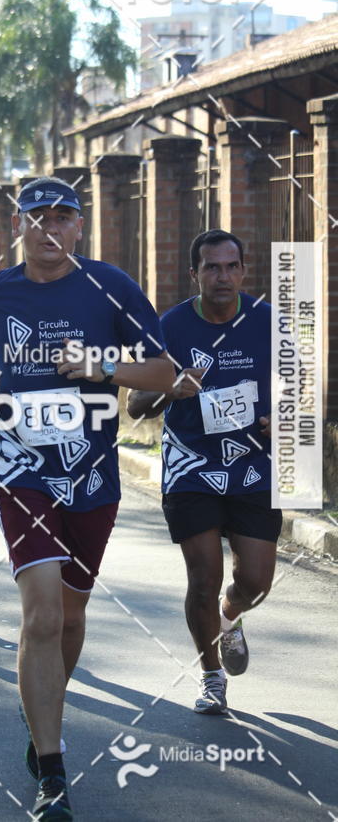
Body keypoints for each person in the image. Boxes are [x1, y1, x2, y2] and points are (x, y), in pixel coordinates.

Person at [0, 177, 175, 820]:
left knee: (72, 619)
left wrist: (102, 368)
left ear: (80, 227)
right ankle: (53, 770)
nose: (49, 229)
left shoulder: (111, 286)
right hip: (22, 472)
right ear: (17, 226)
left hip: (91, 476)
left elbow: (164, 372)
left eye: (63, 217)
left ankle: (40, 713)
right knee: (43, 616)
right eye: (36, 216)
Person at [127, 229, 282, 716]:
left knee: (255, 582)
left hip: (251, 464)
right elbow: (136, 405)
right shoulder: (168, 328)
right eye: (211, 267)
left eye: (230, 266)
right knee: (203, 578)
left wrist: (281, 415)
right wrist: (169, 390)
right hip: (191, 465)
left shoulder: (267, 321)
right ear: (194, 274)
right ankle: (211, 675)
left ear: (243, 270)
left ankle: (231, 617)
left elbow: (297, 389)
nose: (222, 276)